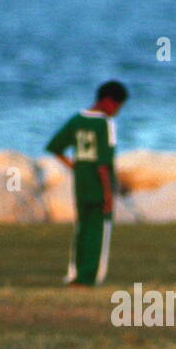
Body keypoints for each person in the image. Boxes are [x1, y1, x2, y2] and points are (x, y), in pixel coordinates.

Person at [44, 80, 128, 287]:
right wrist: (109, 195)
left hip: (81, 184)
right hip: (100, 186)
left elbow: (55, 148)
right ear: (109, 102)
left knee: (82, 229)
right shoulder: (106, 124)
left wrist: (75, 167)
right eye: (118, 107)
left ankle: (75, 275)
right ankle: (88, 278)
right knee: (98, 232)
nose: (117, 112)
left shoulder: (76, 120)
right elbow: (103, 165)